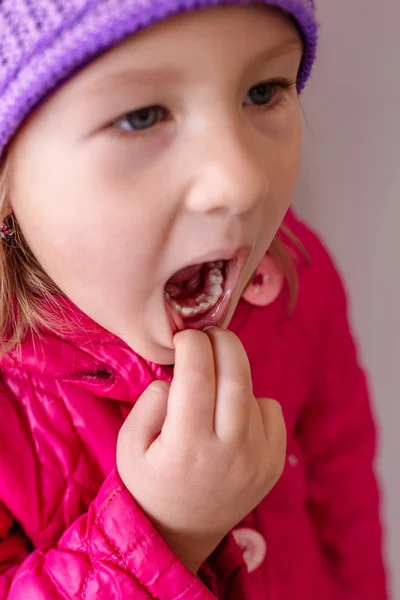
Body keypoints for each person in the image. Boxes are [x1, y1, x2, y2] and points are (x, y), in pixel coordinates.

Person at [0, 0, 387, 598]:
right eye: (142, 116)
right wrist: (165, 530)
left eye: (261, 93)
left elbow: (345, 496)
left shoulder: (297, 278)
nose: (242, 180)